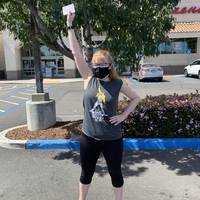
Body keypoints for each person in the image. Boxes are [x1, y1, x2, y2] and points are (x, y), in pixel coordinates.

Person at [67, 10, 140, 200]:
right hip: (89, 137)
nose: (97, 67)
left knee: (115, 173)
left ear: (109, 66)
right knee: (86, 173)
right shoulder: (88, 79)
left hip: (112, 138)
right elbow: (75, 52)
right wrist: (69, 25)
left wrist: (123, 116)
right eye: (94, 64)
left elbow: (136, 98)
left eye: (101, 64)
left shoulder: (118, 84)